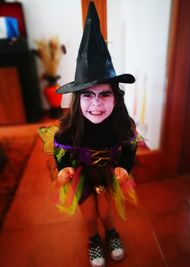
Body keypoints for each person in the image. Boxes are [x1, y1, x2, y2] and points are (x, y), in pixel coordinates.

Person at [39, 2, 143, 267]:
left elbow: (130, 145)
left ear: (116, 97)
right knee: (87, 214)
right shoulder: (71, 127)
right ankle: (93, 239)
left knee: (106, 211)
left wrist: (124, 166)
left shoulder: (121, 123)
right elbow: (60, 147)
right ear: (77, 98)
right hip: (83, 172)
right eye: (87, 95)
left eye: (104, 94)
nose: (96, 104)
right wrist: (63, 168)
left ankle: (110, 232)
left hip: (107, 171)